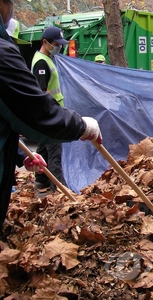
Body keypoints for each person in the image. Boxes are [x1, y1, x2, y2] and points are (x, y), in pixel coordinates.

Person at [0, 0, 102, 239]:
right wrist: (81, 125)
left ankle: (46, 187)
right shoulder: (33, 63)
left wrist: (19, 155)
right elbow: (34, 109)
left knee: (43, 158)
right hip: (51, 121)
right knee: (54, 157)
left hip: (51, 119)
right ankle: (58, 194)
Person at [31, 26, 70, 191]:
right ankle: (60, 191)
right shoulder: (41, 62)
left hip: (51, 113)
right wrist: (52, 116)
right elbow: (41, 92)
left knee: (43, 149)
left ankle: (41, 181)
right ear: (45, 42)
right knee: (55, 155)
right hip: (50, 115)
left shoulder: (46, 58)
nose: (59, 47)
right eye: (56, 44)